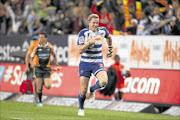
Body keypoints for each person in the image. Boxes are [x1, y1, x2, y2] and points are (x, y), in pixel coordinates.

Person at [77, 14, 113, 116]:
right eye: (93, 23)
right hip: (85, 63)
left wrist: (110, 48)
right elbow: (79, 50)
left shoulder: (102, 31)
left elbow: (109, 37)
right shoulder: (83, 33)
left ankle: (92, 89)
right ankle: (81, 108)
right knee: (83, 90)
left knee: (104, 81)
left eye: (97, 22)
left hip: (97, 62)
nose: (95, 25)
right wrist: (88, 43)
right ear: (89, 23)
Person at [30, 31, 59, 107]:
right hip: (38, 68)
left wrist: (57, 64)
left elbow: (55, 56)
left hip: (46, 69)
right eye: (40, 37)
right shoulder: (36, 48)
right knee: (39, 87)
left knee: (48, 86)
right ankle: (40, 101)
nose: (40, 39)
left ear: (46, 38)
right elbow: (31, 57)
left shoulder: (50, 47)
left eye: (42, 37)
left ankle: (42, 81)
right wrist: (32, 64)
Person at [25, 35, 39, 102]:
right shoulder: (32, 46)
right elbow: (28, 56)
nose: (35, 41)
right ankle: (36, 96)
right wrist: (27, 66)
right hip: (35, 66)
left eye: (36, 40)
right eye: (34, 40)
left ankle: (36, 95)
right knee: (36, 81)